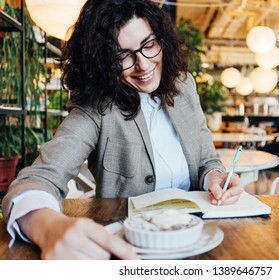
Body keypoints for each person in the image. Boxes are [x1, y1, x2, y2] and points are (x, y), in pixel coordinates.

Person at [1, 0, 243, 260]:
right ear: (104, 61)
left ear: (162, 40)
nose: (143, 65)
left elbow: (207, 159)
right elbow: (39, 179)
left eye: (149, 45)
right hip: (131, 250)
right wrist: (47, 227)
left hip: (198, 238)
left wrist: (214, 177)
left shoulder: (184, 86)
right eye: (122, 55)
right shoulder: (97, 107)